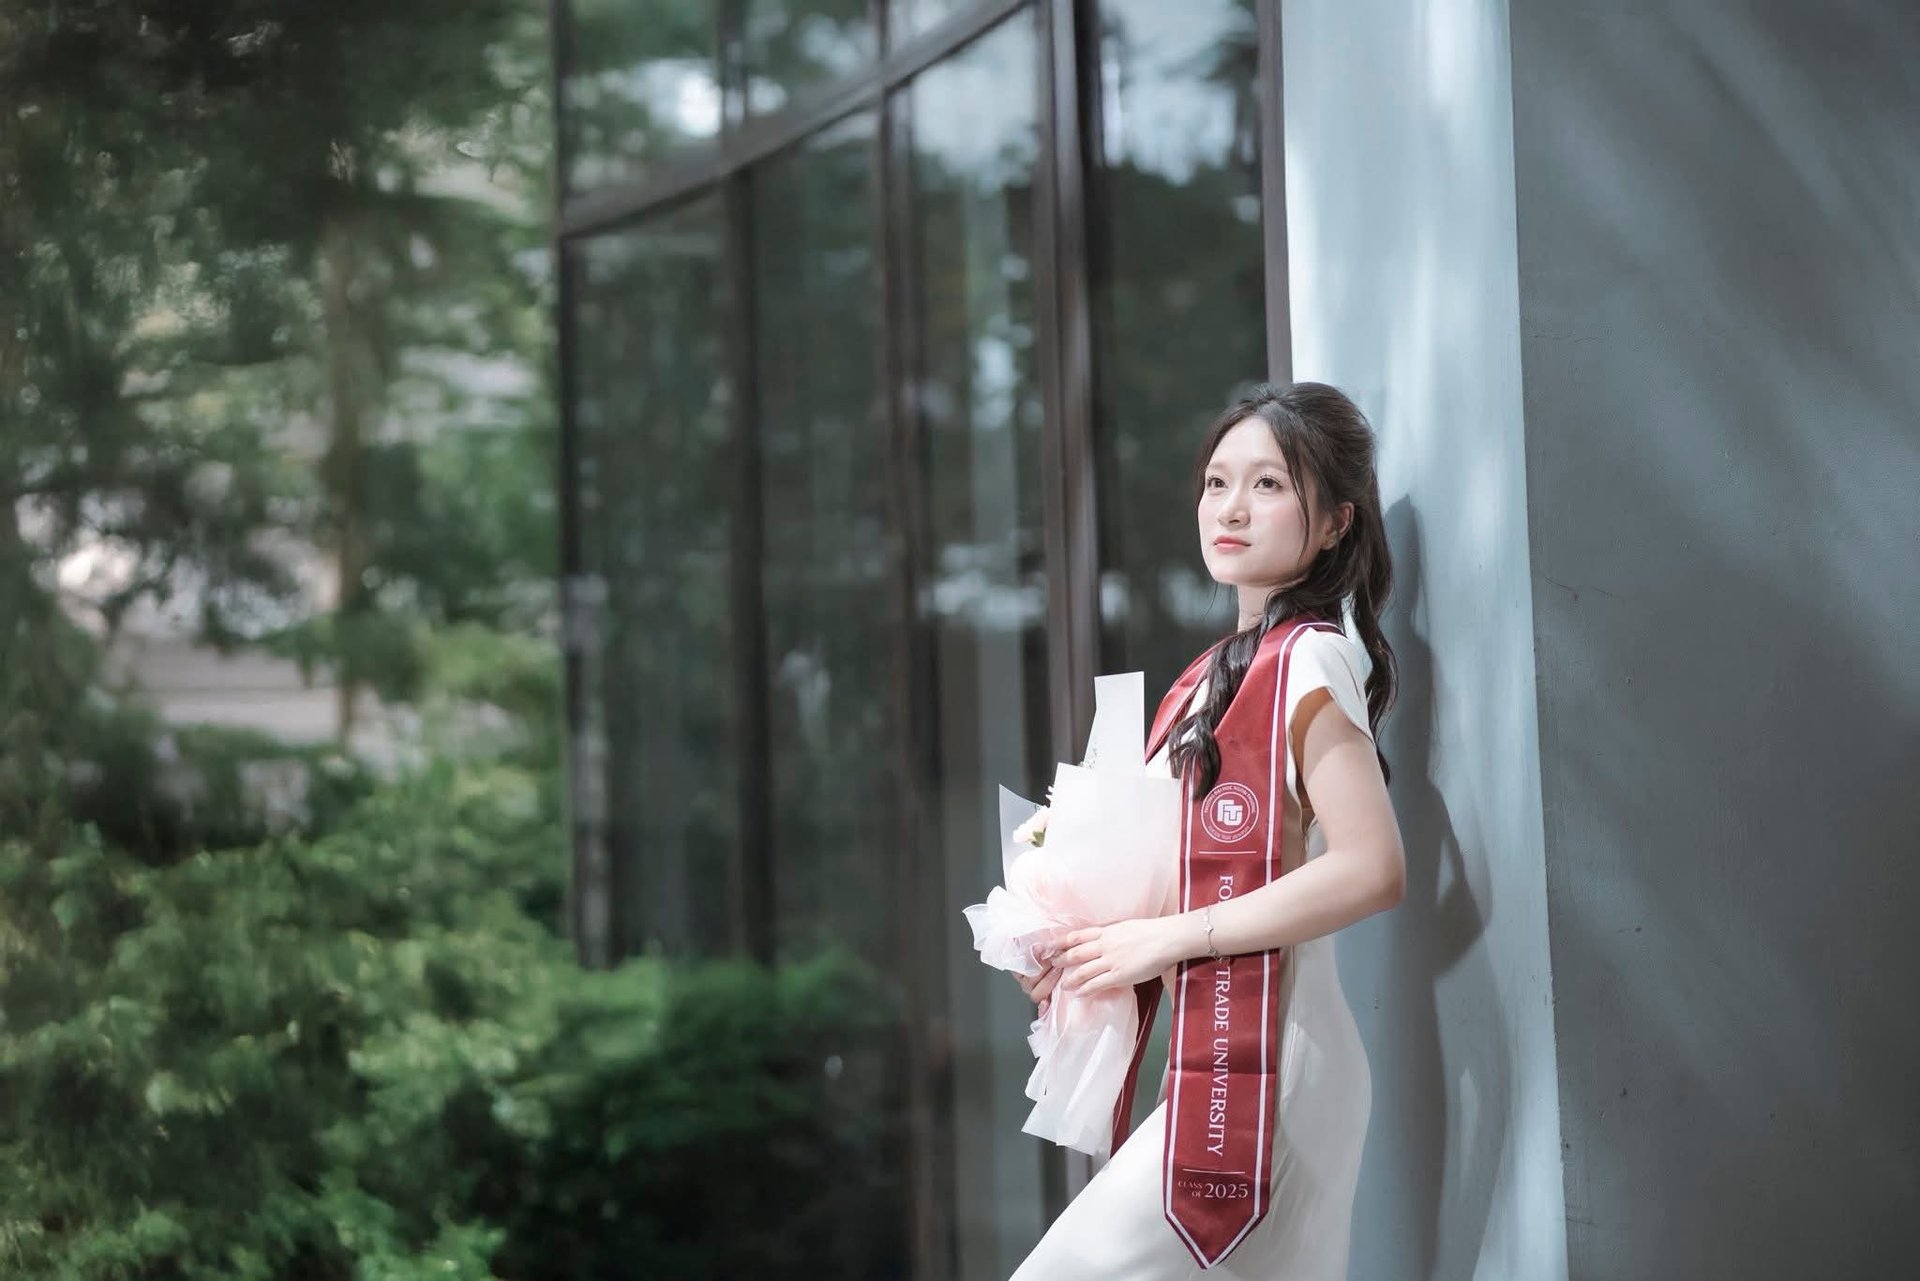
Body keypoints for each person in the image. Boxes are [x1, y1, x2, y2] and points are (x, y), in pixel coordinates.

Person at [1009, 381, 1406, 1279]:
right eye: (1217, 481)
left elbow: (1374, 866)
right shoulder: (1209, 679)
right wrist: (1078, 949)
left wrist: (1169, 937)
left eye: (1268, 485)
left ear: (1335, 522)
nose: (1230, 507)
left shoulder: (1309, 657)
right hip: (1225, 1063)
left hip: (1272, 1069)